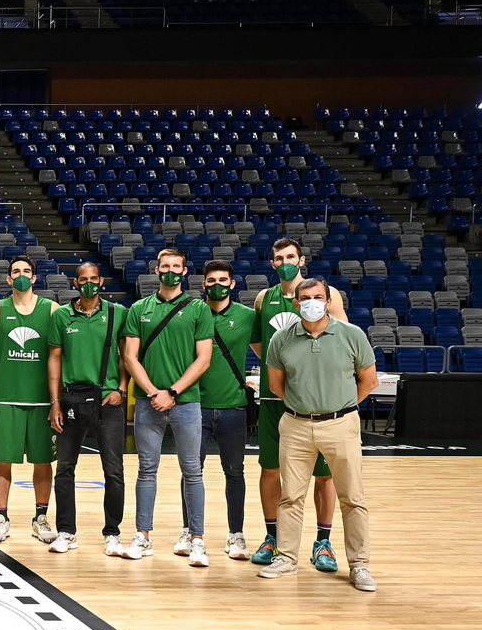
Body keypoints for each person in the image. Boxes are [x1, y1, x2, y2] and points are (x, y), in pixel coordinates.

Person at [258, 277, 378, 591]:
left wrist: (340, 408)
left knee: (352, 497)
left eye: (319, 296)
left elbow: (368, 381)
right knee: (291, 497)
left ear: (328, 301)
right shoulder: (281, 339)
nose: (312, 302)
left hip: (341, 423)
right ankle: (286, 558)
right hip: (296, 424)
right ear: (296, 303)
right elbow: (275, 386)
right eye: (306, 297)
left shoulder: (352, 335)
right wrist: (306, 406)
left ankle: (360, 565)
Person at [250, 237, 349, 573]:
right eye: (278, 258)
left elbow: (344, 338)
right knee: (269, 469)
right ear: (272, 263)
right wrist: (283, 367)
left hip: (314, 402)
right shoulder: (264, 298)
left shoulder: (325, 295)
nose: (284, 262)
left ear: (302, 260)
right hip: (272, 398)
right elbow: (257, 340)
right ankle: (272, 537)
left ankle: (323, 542)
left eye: (290, 256)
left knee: (324, 474)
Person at [121, 247, 214, 565]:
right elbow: (129, 357)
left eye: (177, 265)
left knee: (192, 471)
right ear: (157, 270)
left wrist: (172, 391)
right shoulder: (139, 308)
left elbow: (204, 358)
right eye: (165, 266)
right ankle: (142, 535)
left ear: (185, 271)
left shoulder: (199, 308)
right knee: (146, 471)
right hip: (148, 404)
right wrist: (151, 392)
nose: (171, 270)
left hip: (187, 403)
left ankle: (197, 539)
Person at [45, 262, 127, 556]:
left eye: (94, 279)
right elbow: (54, 359)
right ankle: (66, 531)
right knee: (64, 468)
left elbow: (126, 356)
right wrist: (55, 401)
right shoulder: (62, 316)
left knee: (114, 470)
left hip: (107, 401)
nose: (89, 283)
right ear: (75, 282)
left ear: (101, 281)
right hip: (71, 400)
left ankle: (112, 533)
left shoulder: (118, 313)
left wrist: (122, 389)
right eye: (84, 279)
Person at [0, 257, 58, 544]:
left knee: (44, 462)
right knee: (3, 461)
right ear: (9, 280)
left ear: (34, 278)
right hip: (4, 398)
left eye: (26, 271)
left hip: (41, 400)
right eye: (16, 272)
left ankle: (41, 517)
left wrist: (56, 399)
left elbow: (56, 357)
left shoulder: (52, 310)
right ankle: (2, 517)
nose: (21, 276)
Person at [186, 260, 257, 561]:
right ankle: (190, 532)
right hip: (195, 406)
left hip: (233, 408)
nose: (217, 284)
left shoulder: (248, 316)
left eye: (223, 279)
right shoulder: (190, 313)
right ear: (203, 284)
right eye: (211, 279)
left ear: (232, 284)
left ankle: (236, 535)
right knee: (192, 471)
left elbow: (268, 352)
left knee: (235, 473)